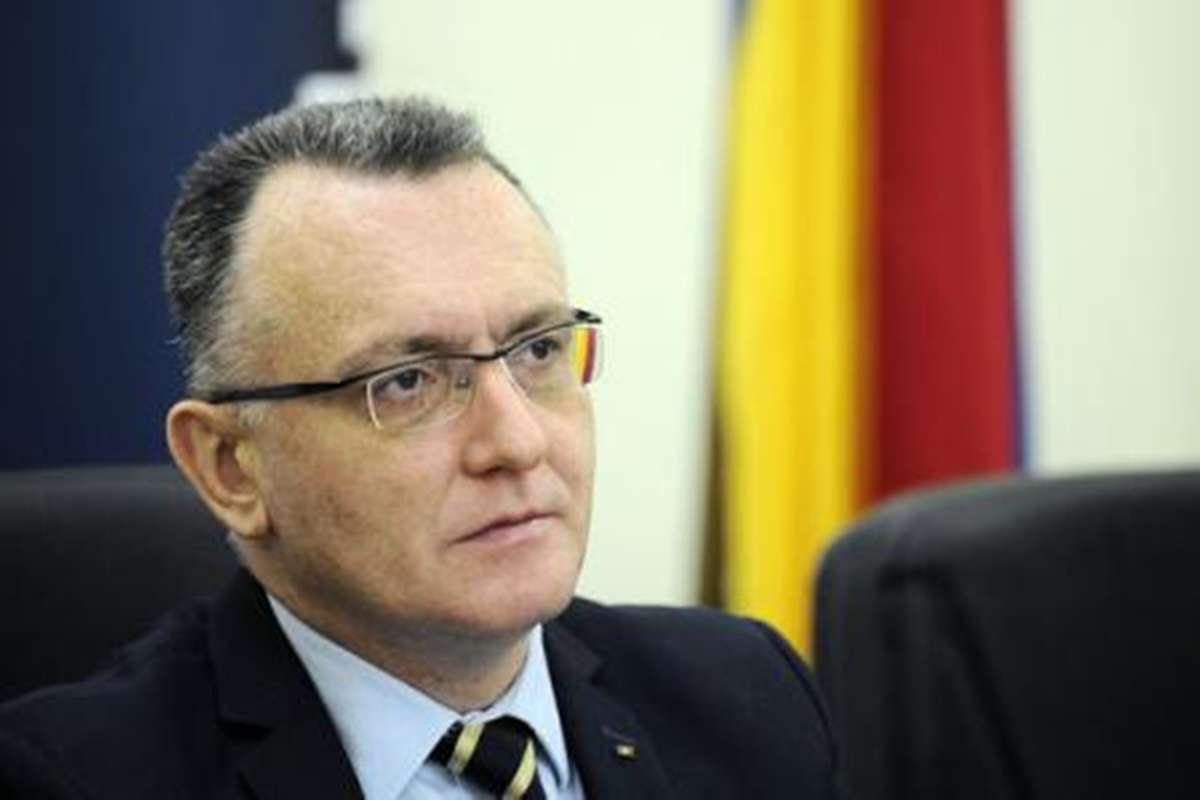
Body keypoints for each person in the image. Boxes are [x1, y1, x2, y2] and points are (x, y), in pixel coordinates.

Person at [0, 97, 837, 798]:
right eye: (407, 382)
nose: (517, 442)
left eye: (538, 350)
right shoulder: (67, 782)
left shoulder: (747, 697)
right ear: (230, 467)